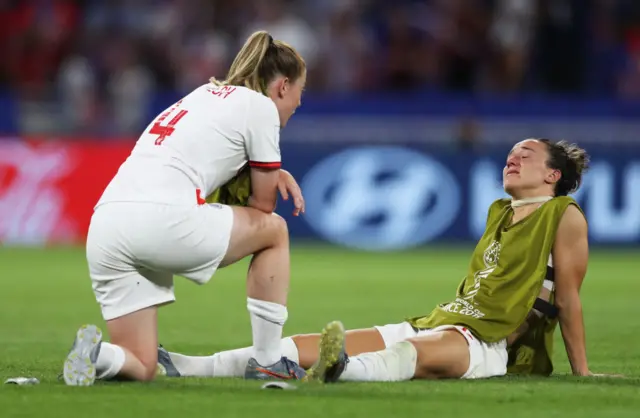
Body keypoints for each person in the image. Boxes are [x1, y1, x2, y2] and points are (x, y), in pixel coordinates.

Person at [158, 138, 600, 381]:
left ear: (552, 175)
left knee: (408, 353)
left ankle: (334, 373)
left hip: (485, 341)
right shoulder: (499, 211)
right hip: (443, 318)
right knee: (305, 342)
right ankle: (187, 366)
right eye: (510, 155)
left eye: (525, 156)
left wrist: (580, 371)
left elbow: (567, 299)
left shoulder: (564, 215)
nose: (512, 159)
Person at [62, 31, 309, 386]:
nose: (292, 110)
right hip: (162, 219)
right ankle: (269, 360)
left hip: (105, 225)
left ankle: (96, 355)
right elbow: (262, 205)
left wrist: (264, 171)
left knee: (142, 364)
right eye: (296, 100)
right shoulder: (262, 107)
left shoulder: (202, 94)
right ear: (283, 86)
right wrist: (269, 173)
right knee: (274, 230)